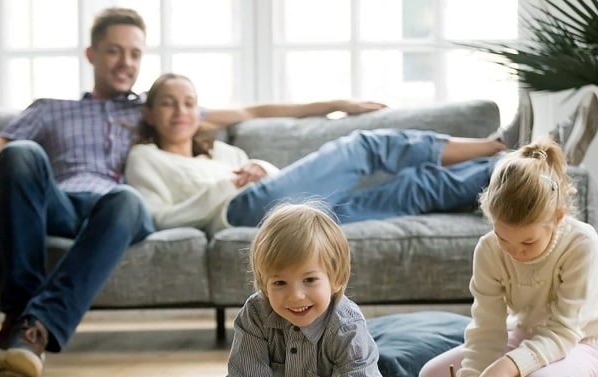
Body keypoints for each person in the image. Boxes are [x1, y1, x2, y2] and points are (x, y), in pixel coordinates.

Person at [0, 10, 385, 377]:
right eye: (114, 50)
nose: (125, 62)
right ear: (91, 55)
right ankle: (20, 317)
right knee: (19, 153)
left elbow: (251, 112)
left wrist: (337, 104)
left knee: (127, 198)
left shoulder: (152, 108)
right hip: (61, 204)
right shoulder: (49, 110)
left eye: (134, 53)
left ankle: (35, 326)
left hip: (118, 212)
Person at [125, 74, 598, 237]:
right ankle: (502, 144)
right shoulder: (146, 159)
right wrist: (227, 185)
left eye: (189, 102)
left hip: (287, 214)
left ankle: (535, 165)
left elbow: (272, 177)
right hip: (240, 213)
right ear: (150, 112)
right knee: (363, 147)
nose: (180, 111)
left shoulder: (222, 148)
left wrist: (258, 168)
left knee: (415, 189)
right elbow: (157, 219)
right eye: (167, 102)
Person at [186, 202, 388, 377]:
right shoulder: (256, 314)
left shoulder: (347, 322)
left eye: (309, 280)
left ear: (337, 279)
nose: (295, 296)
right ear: (263, 284)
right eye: (280, 283)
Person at [417, 137, 598, 377]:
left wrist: (505, 368)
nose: (515, 253)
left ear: (558, 217)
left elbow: (564, 332)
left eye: (528, 242)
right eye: (504, 239)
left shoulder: (581, 243)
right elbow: (486, 328)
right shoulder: (488, 249)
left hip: (583, 340)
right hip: (527, 335)